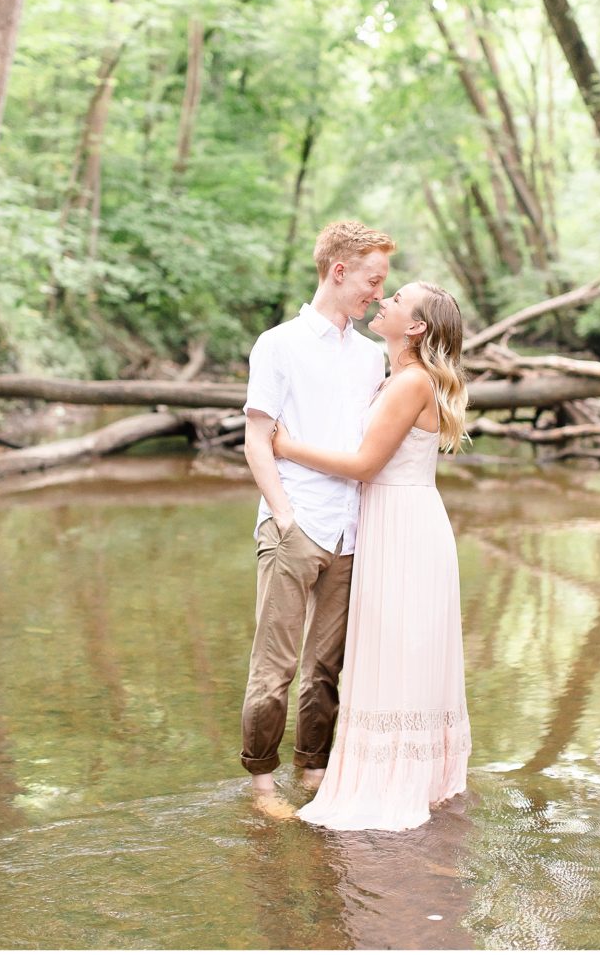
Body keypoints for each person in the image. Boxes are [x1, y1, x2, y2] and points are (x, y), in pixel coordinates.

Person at [272, 280, 472, 831]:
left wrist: (283, 446)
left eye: (397, 299)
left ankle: (394, 780)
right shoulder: (395, 379)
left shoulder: (410, 383)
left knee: (397, 649)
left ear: (415, 327)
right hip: (391, 522)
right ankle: (410, 773)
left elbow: (364, 465)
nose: (383, 301)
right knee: (391, 649)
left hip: (405, 529)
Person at [241, 220, 396, 816]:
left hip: (350, 533)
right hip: (295, 525)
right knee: (274, 666)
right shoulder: (277, 344)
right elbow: (259, 440)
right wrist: (283, 516)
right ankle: (260, 784)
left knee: (326, 668)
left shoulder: (370, 357)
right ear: (338, 270)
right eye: (372, 280)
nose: (378, 294)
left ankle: (313, 771)